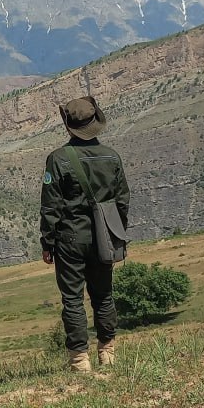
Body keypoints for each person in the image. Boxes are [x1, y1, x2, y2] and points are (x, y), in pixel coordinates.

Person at [39, 96, 130, 372]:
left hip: (69, 239)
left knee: (72, 300)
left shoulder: (57, 160)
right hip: (104, 237)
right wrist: (115, 232)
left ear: (69, 126)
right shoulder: (111, 157)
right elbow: (122, 200)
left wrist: (47, 241)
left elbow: (50, 206)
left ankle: (80, 360)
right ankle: (108, 353)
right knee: (103, 295)